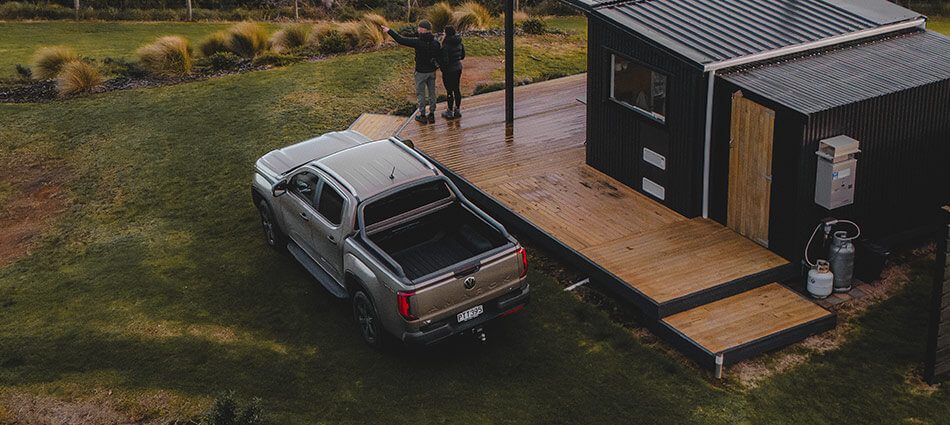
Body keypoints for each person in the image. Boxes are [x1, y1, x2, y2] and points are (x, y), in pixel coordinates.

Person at [382, 21, 441, 124]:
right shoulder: (435, 42)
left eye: (419, 28)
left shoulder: (417, 42)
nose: (417, 29)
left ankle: (422, 115)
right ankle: (431, 114)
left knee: (421, 94)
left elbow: (400, 40)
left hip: (421, 72)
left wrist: (389, 31)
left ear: (423, 29)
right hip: (432, 72)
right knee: (432, 93)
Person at [438, 25, 465, 119]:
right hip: (458, 68)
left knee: (449, 91)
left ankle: (449, 111)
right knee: (457, 89)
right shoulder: (459, 43)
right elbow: (462, 56)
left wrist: (441, 66)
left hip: (449, 71)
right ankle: (457, 110)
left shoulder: (446, 45)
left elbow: (445, 61)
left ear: (447, 33)